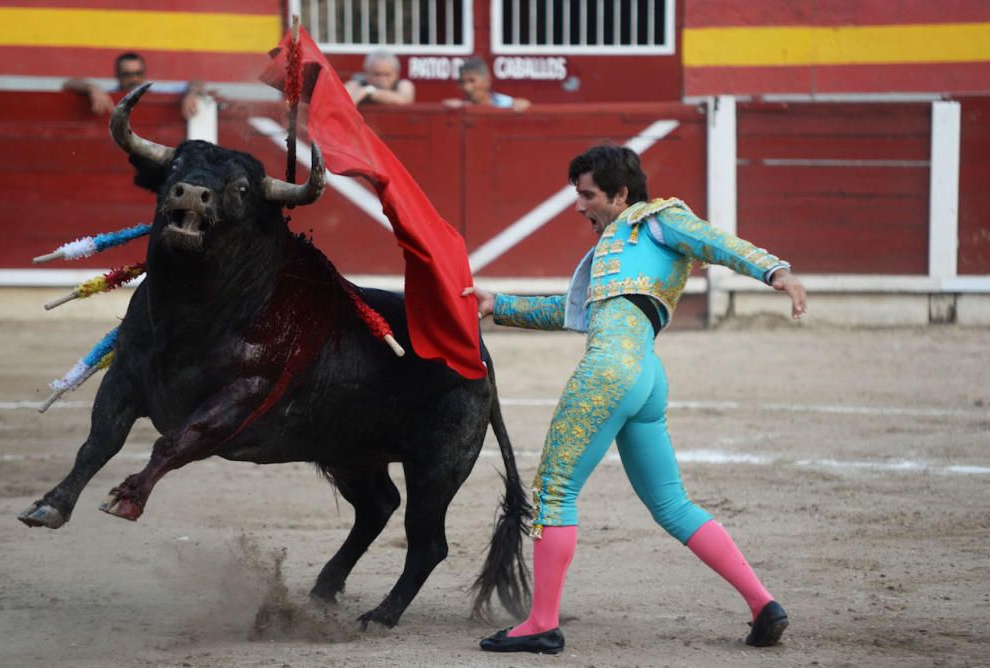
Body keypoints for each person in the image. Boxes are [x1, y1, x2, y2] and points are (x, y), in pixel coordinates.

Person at [464, 145, 806, 655]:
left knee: (555, 491)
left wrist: (776, 271)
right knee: (671, 503)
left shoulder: (658, 219)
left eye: (588, 195)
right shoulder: (618, 246)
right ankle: (763, 604)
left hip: (610, 370)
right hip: (645, 374)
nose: (579, 206)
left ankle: (541, 623)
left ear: (622, 194)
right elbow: (575, 311)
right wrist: (502, 305)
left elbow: (718, 243)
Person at [63, 52, 206, 120]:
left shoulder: (158, 90)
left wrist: (192, 93)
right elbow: (68, 83)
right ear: (117, 76)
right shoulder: (107, 94)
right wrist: (91, 88)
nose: (134, 79)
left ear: (145, 73)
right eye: (127, 74)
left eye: (138, 73)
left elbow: (197, 82)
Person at [443, 57, 530, 111]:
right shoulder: (461, 106)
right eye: (462, 82)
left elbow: (521, 104)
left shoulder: (504, 103)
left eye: (472, 81)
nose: (466, 87)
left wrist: (524, 105)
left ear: (487, 81)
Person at [344, 49, 415, 106]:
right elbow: (343, 98)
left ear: (396, 75)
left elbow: (405, 100)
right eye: (377, 74)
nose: (382, 79)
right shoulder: (356, 83)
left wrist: (369, 92)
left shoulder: (403, 84)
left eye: (387, 75)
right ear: (366, 73)